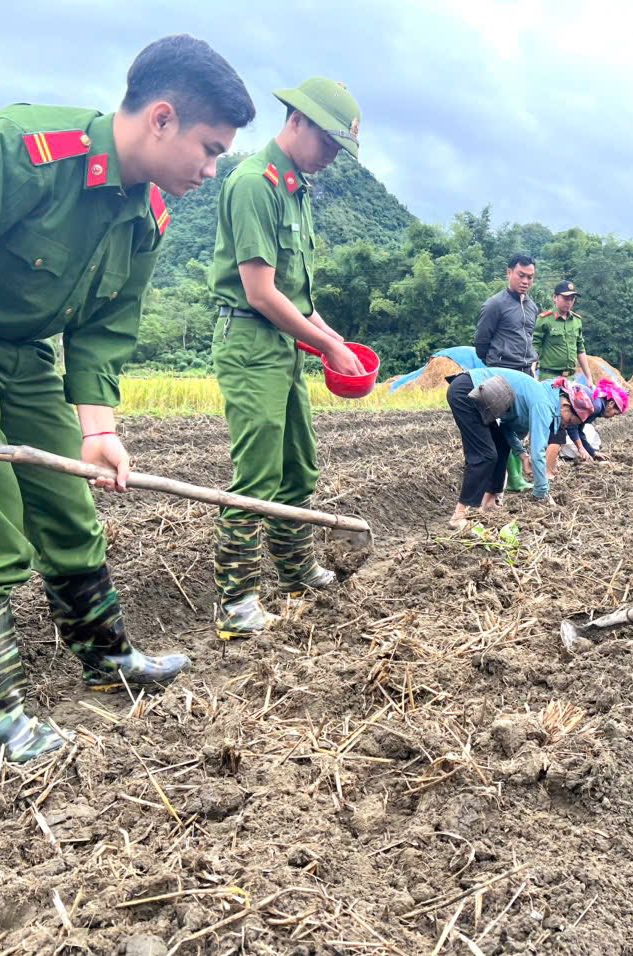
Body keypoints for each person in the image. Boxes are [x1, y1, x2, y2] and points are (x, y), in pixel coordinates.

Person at [0, 35, 255, 762]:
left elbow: (108, 325)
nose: (210, 169)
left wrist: (99, 428)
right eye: (208, 149)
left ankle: (108, 662)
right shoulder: (16, 150)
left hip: (23, 358)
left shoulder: (148, 215)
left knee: (69, 507)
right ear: (162, 118)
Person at [207, 78, 366, 642]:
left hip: (283, 343)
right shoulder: (256, 184)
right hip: (251, 343)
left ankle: (297, 572)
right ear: (297, 121)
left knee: (298, 464)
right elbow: (260, 293)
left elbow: (297, 299)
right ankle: (236, 601)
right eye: (328, 143)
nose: (330, 159)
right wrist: (326, 345)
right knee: (256, 475)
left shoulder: (296, 189)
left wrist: (333, 338)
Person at [446, 368, 576, 528]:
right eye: (570, 421)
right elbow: (538, 453)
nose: (567, 425)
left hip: (474, 392)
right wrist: (542, 493)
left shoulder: (542, 395)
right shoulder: (543, 403)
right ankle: (458, 516)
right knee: (485, 455)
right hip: (467, 392)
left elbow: (506, 428)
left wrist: (522, 455)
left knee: (500, 442)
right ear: (565, 406)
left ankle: (489, 501)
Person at [475, 255, 540, 493]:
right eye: (520, 275)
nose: (525, 281)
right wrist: (495, 365)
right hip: (502, 374)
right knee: (500, 430)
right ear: (509, 273)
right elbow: (481, 342)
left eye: (530, 277)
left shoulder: (532, 307)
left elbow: (529, 339)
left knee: (520, 426)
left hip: (526, 373)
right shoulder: (495, 305)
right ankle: (497, 484)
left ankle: (514, 478)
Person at [533, 280, 594, 383]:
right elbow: (535, 347)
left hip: (570, 379)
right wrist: (532, 372)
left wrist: (589, 377)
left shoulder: (576, 321)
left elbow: (580, 349)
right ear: (554, 297)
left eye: (572, 299)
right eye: (566, 298)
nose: (569, 302)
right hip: (549, 378)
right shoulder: (544, 319)